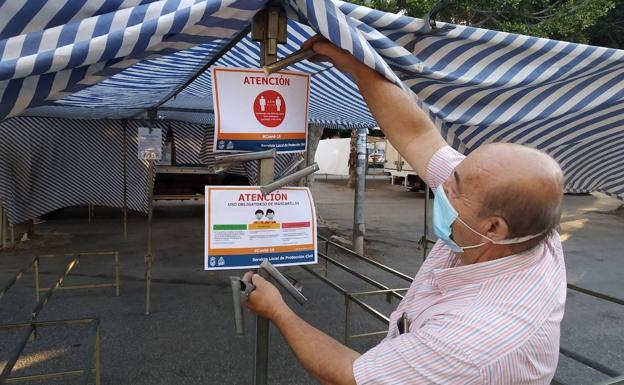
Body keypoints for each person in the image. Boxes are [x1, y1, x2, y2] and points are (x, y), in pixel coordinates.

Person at [243, 36, 566, 385]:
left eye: (454, 187)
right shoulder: (523, 225)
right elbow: (418, 136)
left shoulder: (470, 341)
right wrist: (354, 64)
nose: (441, 184)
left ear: (493, 229)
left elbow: (349, 374)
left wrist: (278, 311)